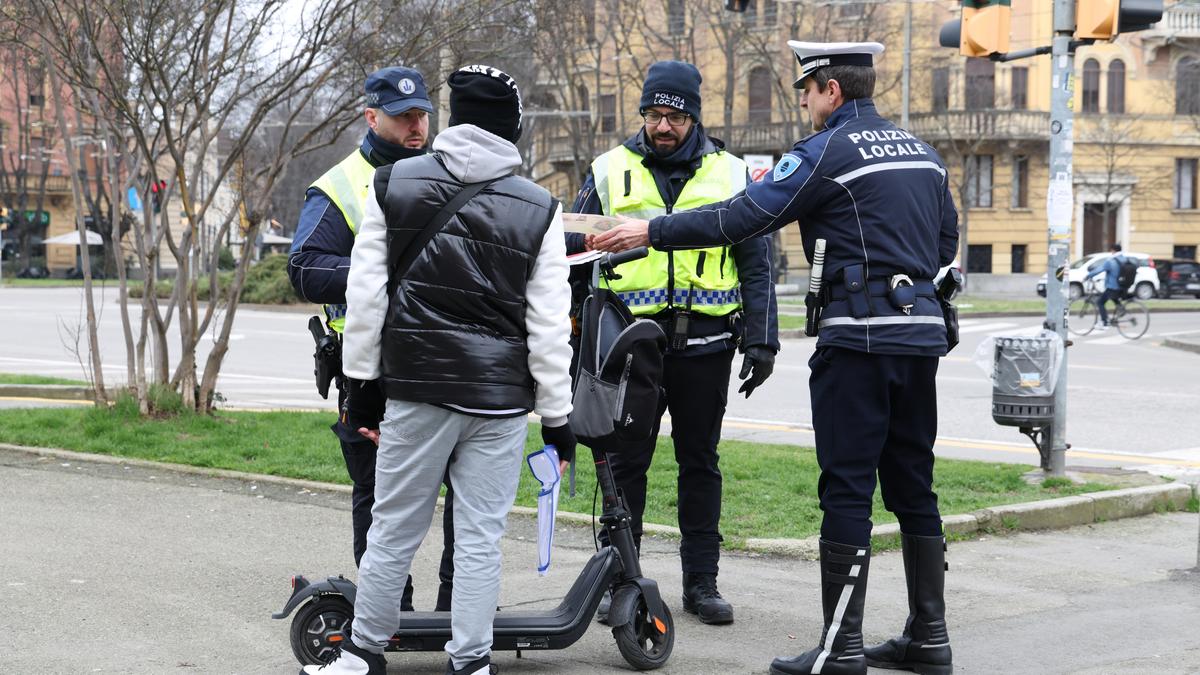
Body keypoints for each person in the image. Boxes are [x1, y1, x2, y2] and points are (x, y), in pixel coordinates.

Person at [594, 41, 958, 675]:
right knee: (913, 486)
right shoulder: (922, 153)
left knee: (846, 488)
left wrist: (650, 230)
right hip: (920, 339)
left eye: (806, 91)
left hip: (858, 343)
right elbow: (947, 237)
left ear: (831, 91)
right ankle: (930, 638)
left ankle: (840, 647)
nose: (804, 103)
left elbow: (744, 218)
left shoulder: (824, 152)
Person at [307, 64, 577, 675]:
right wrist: (558, 420)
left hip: (417, 390)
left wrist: (362, 389)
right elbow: (548, 329)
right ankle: (472, 661)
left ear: (452, 118)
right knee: (480, 538)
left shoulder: (392, 185)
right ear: (512, 128)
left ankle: (360, 653)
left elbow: (368, 297)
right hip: (500, 402)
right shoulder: (539, 209)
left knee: (394, 527)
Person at [570, 60, 779, 626]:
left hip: (706, 345)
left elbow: (758, 261)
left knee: (700, 463)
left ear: (694, 116)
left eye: (675, 116)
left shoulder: (734, 174)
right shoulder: (609, 170)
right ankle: (622, 581)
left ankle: (702, 583)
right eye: (654, 115)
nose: (663, 127)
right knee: (624, 464)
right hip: (629, 348)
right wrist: (574, 337)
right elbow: (573, 254)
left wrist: (761, 341)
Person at [286, 66, 456, 611]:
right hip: (370, 372)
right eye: (404, 116)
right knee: (380, 499)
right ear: (371, 116)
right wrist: (386, 273)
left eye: (422, 115)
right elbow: (307, 269)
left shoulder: (447, 174)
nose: (416, 125)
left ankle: (459, 606)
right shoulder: (342, 185)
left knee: (467, 495)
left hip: (445, 362)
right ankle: (391, 611)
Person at [1085, 243, 1128, 330]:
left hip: (1112, 287)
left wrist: (1088, 276)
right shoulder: (1125, 259)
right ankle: (1121, 309)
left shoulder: (1111, 261)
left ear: (1112, 250)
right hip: (1123, 286)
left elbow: (1099, 269)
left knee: (1100, 302)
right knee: (1114, 299)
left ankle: (1104, 323)